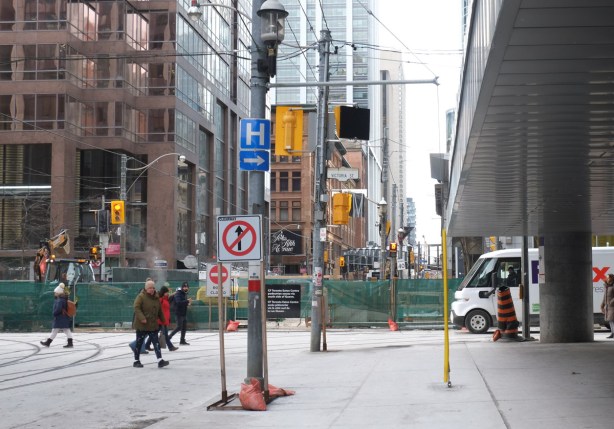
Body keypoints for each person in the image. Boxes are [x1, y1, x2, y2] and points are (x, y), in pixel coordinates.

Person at [132, 279, 169, 368]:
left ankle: (160, 360)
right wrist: (142, 318)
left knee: (156, 343)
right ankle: (136, 361)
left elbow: (159, 311)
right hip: (142, 325)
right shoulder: (141, 297)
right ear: (146, 289)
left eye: (153, 288)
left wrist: (164, 321)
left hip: (152, 324)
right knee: (139, 343)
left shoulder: (156, 298)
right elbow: (136, 308)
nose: (152, 289)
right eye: (150, 288)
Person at [144, 285, 178, 352]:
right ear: (163, 292)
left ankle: (147, 345)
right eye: (166, 292)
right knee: (165, 334)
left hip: (164, 319)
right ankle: (170, 347)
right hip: (161, 320)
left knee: (154, 333)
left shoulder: (165, 299)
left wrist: (174, 293)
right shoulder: (160, 299)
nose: (167, 293)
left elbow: (169, 297)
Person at [40, 283, 74, 348]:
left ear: (58, 293)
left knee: (55, 330)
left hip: (60, 317)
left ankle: (48, 342)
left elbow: (58, 308)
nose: (54, 293)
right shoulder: (63, 299)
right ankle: (70, 343)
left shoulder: (59, 300)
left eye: (55, 292)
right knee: (66, 330)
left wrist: (54, 313)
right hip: (64, 317)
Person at [168, 281, 193, 345]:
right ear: (182, 287)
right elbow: (178, 302)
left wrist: (187, 303)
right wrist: (187, 301)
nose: (186, 288)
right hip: (178, 313)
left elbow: (183, 303)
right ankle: (168, 338)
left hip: (183, 313)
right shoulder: (178, 293)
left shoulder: (184, 294)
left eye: (187, 287)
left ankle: (182, 340)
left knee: (184, 327)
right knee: (179, 326)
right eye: (184, 287)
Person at [601, 274, 614, 338]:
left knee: (612, 320)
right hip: (608, 306)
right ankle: (612, 333)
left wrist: (611, 302)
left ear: (612, 278)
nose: (607, 278)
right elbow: (604, 297)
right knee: (610, 320)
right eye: (607, 277)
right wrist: (602, 305)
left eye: (608, 277)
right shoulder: (607, 286)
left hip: (612, 306)